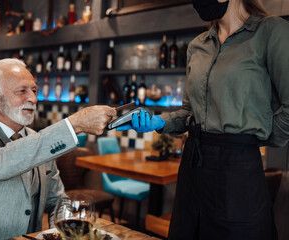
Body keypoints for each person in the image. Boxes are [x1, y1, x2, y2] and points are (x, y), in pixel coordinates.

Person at [117, 0, 289, 239]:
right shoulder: (198, 45)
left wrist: (256, 138)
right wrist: (158, 122)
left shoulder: (272, 31)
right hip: (192, 166)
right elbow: (189, 112)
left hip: (238, 171)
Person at [0, 58, 116, 240]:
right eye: (22, 91)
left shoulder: (38, 141)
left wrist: (64, 232)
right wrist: (73, 125)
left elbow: (57, 200)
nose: (33, 99)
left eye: (34, 90)